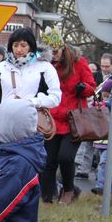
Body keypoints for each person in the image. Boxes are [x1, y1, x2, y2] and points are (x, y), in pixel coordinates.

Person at [39, 28, 96, 204]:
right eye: (49, 52)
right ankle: (47, 197)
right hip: (52, 121)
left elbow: (91, 86)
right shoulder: (45, 66)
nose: (53, 55)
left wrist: (83, 88)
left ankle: (69, 190)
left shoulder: (78, 63)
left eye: (55, 51)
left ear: (62, 48)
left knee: (65, 157)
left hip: (73, 120)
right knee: (48, 161)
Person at [0, 27, 61, 121]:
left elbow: (55, 97)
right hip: (5, 122)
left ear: (31, 46)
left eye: (23, 45)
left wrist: (32, 102)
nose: (18, 50)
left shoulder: (44, 67)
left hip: (33, 124)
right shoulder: (2, 66)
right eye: (15, 45)